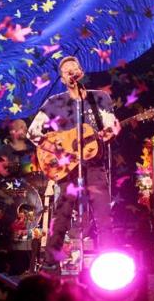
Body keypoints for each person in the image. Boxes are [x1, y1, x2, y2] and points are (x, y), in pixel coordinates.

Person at [27, 56, 120, 271]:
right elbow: (33, 132)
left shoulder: (100, 99)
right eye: (66, 70)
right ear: (62, 78)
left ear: (81, 71)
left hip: (94, 166)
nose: (71, 72)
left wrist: (110, 133)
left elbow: (110, 125)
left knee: (104, 216)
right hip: (67, 168)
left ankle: (109, 267)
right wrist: (58, 150)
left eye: (74, 68)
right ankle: (50, 265)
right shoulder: (55, 102)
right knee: (62, 215)